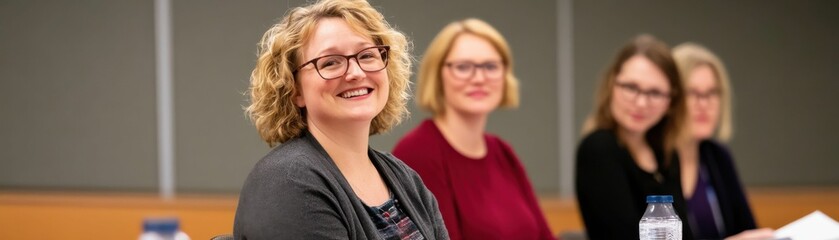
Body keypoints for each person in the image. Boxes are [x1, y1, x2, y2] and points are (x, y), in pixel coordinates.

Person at [233, 0, 448, 239]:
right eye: (330, 62)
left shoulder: (405, 178)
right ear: (294, 89)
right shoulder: (288, 181)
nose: (355, 73)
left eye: (367, 55)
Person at [392, 18, 555, 240]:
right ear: (438, 75)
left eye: (490, 66)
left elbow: (544, 235)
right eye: (463, 67)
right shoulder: (418, 152)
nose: (479, 78)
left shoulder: (502, 152)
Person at [575, 34, 693, 239]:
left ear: (671, 101)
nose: (640, 103)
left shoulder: (665, 153)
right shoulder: (599, 148)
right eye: (631, 87)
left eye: (654, 93)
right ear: (612, 85)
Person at [673, 43, 774, 240]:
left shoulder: (717, 156)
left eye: (712, 93)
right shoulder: (649, 161)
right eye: (692, 93)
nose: (704, 104)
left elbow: (747, 229)